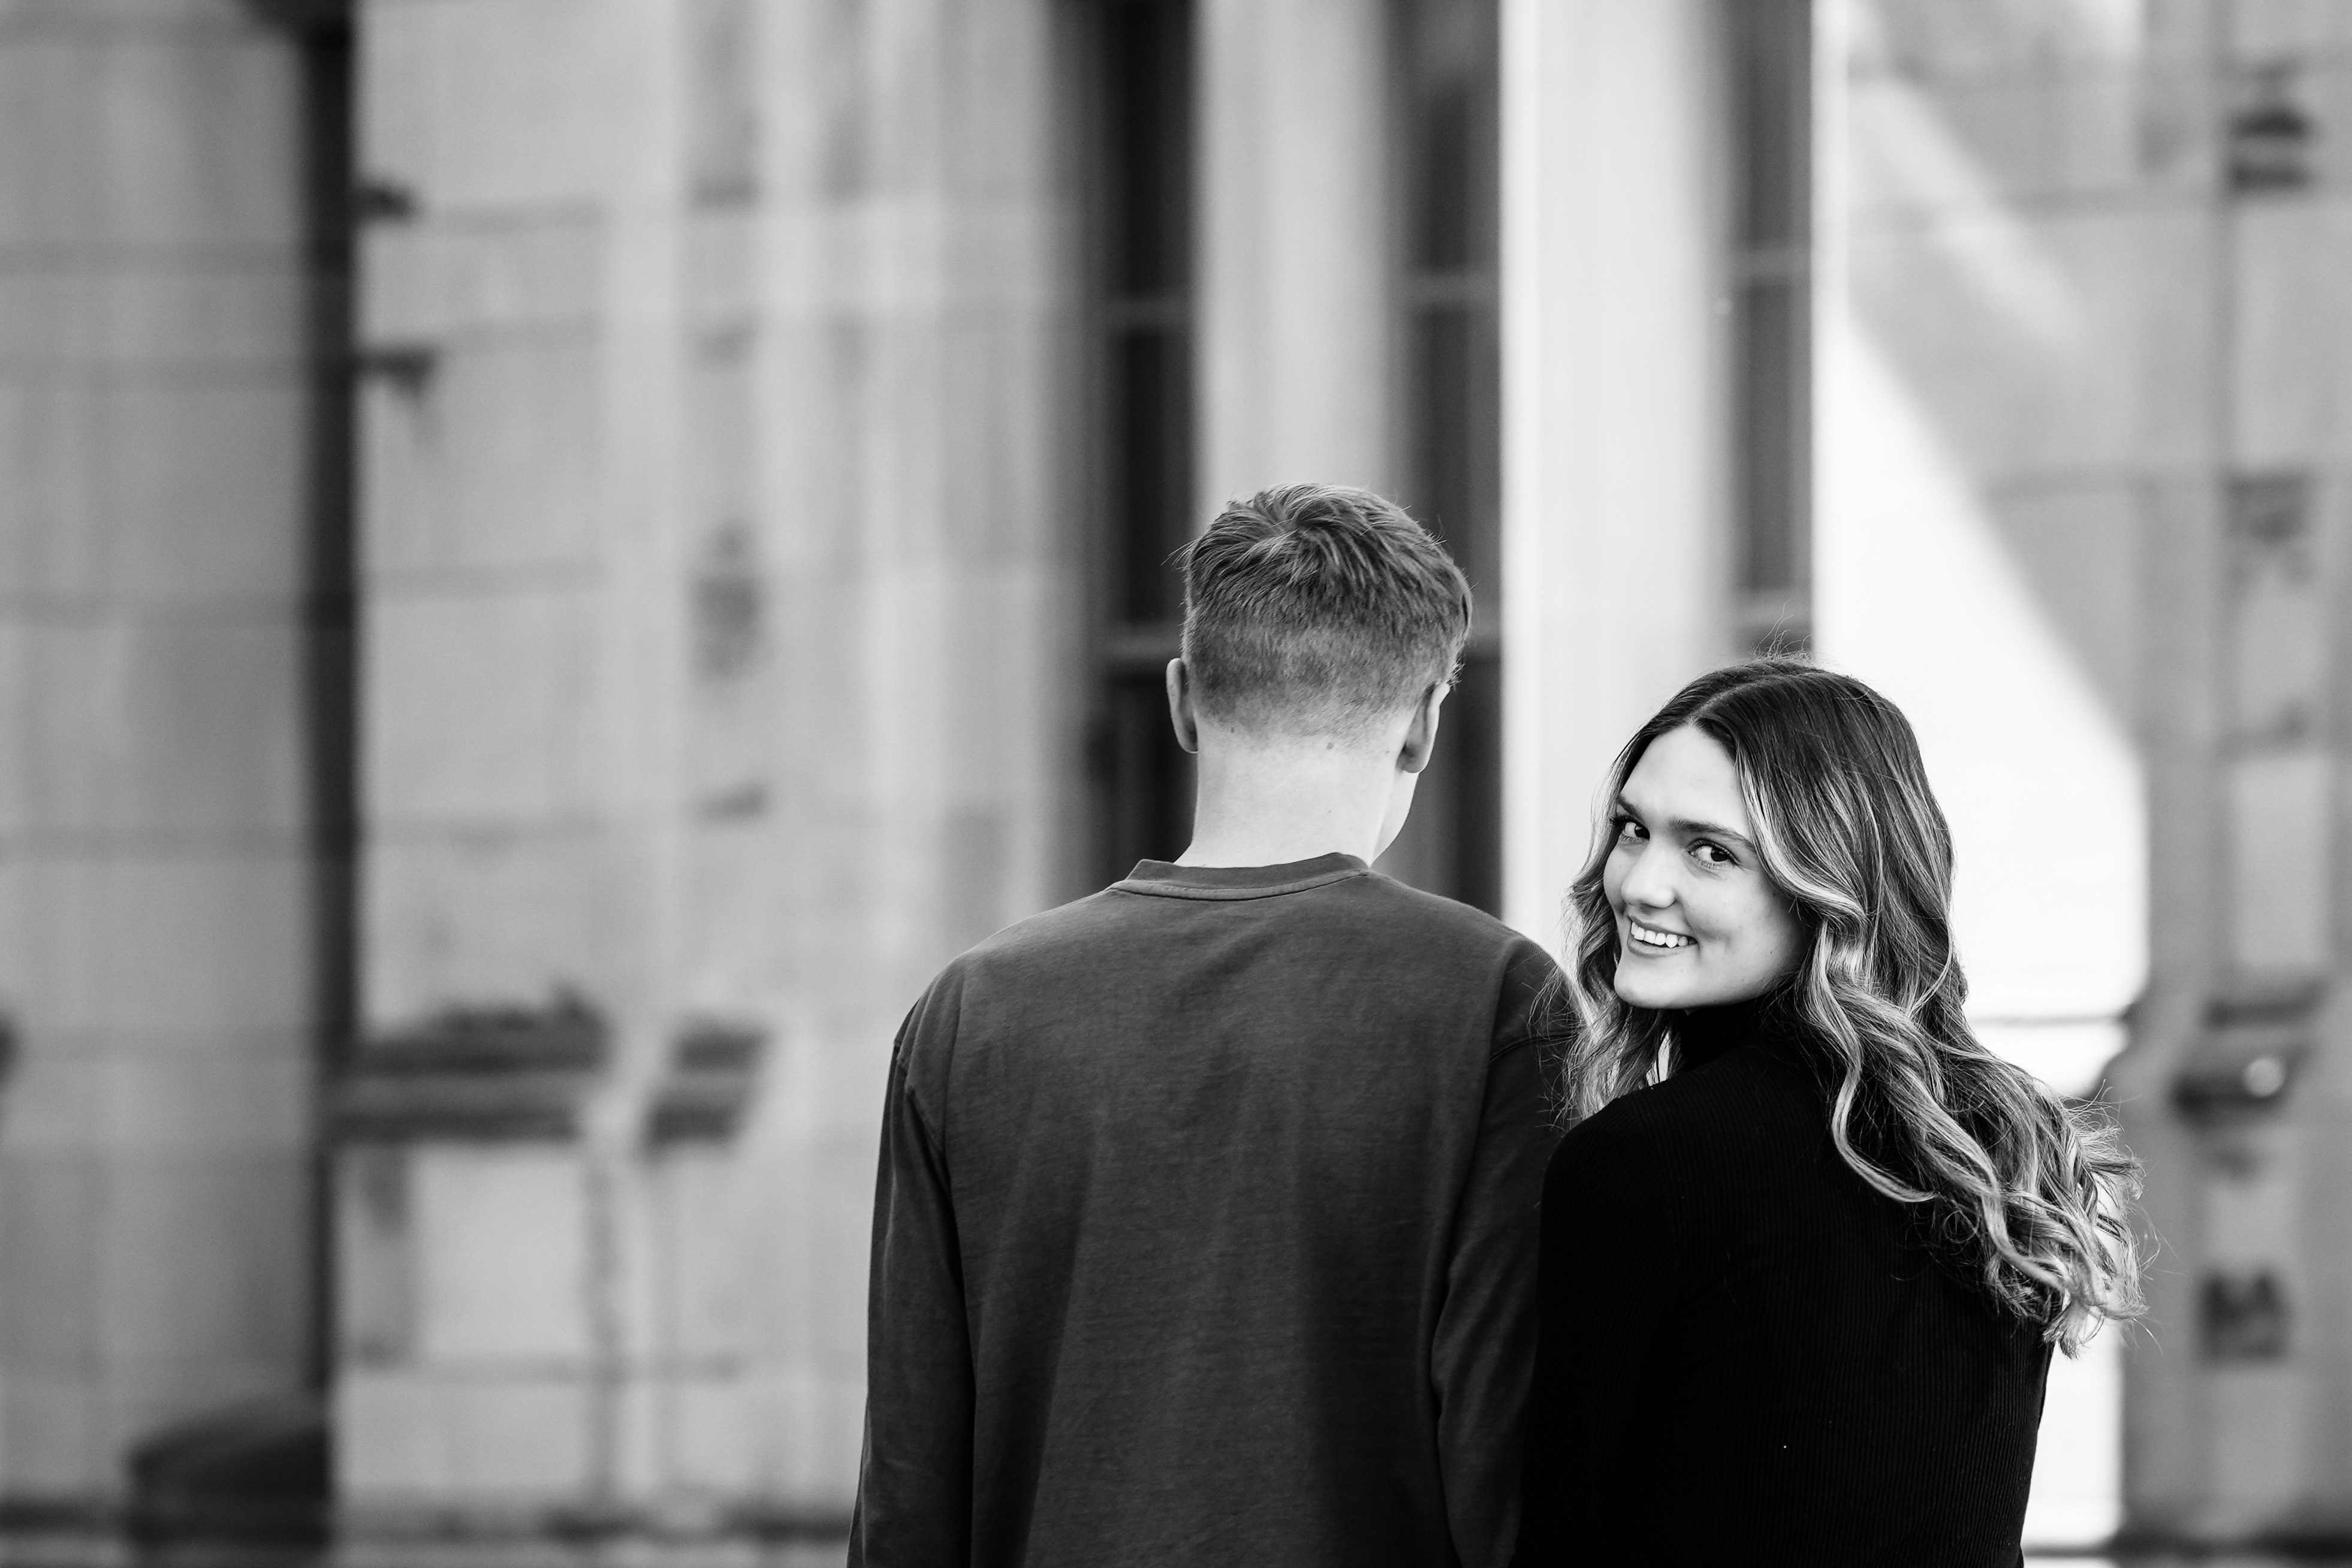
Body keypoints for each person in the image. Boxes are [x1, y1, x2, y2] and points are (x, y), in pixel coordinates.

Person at [852, 483, 1561, 1568]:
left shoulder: (972, 1011)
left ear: (1184, 700)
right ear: (1422, 723)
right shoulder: (1491, 998)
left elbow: (909, 1483)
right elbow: (1501, 1464)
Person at [1515, 659, 2142, 1568]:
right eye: (1631, 829)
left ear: (1825, 886)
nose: (1640, 884)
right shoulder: (1997, 1143)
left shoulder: (1642, 1162)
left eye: (1711, 851)